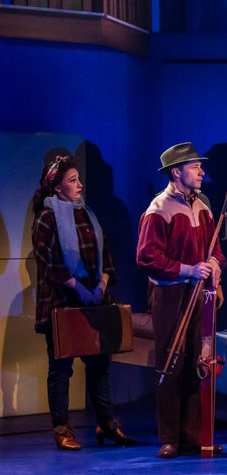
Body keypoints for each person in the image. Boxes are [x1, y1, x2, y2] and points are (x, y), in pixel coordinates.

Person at [32, 155, 137, 450]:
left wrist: (101, 284)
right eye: (72, 180)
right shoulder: (46, 218)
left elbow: (108, 255)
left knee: (100, 366)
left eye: (79, 179)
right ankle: (62, 429)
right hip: (63, 304)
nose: (79, 185)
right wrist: (78, 287)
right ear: (57, 188)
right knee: (61, 369)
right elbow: (48, 263)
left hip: (95, 304)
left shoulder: (87, 214)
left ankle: (107, 423)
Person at [136, 142, 227, 459]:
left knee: (196, 363)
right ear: (177, 172)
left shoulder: (203, 206)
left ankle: (192, 435)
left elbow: (215, 250)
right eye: (194, 167)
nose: (202, 172)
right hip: (171, 294)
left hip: (199, 293)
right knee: (171, 361)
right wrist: (189, 269)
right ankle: (169, 437)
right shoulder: (159, 209)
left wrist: (214, 266)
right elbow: (147, 258)